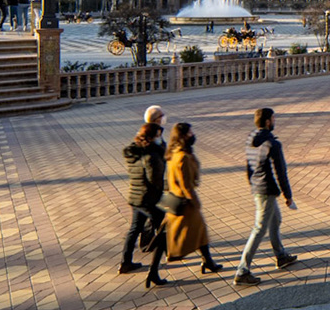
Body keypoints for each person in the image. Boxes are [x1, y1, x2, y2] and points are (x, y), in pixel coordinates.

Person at [233, 107, 298, 285]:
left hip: (257, 187)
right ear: (268, 121)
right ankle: (242, 270)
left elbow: (249, 166)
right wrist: (288, 196)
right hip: (267, 190)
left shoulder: (251, 138)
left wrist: (252, 183)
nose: (275, 121)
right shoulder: (273, 144)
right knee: (259, 228)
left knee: (275, 220)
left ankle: (281, 256)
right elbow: (281, 172)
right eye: (273, 118)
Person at [161, 122, 222, 275]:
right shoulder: (182, 157)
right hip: (185, 203)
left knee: (200, 232)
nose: (193, 135)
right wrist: (195, 201)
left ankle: (208, 261)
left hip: (178, 199)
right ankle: (172, 255)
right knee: (196, 232)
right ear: (183, 136)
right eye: (190, 133)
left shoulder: (174, 153)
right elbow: (186, 184)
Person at [120, 118, 169, 286]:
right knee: (164, 230)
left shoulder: (134, 151)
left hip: (135, 197)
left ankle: (126, 262)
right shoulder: (151, 155)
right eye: (158, 135)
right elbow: (156, 180)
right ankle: (154, 271)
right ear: (152, 136)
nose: (160, 138)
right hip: (149, 199)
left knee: (134, 229)